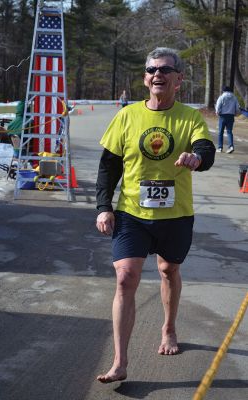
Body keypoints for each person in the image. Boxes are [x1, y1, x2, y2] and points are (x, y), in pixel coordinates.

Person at [95, 47, 215, 384]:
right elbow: (108, 168)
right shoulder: (127, 116)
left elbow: (205, 147)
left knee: (168, 269)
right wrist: (104, 207)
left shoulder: (189, 118)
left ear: (179, 79)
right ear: (145, 77)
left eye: (165, 69)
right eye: (151, 69)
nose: (157, 74)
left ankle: (169, 328)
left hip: (175, 214)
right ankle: (119, 362)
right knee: (125, 278)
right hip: (132, 212)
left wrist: (197, 159)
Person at [215, 86, 240, 154]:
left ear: (224, 91)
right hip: (231, 116)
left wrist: (217, 112)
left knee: (220, 132)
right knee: (229, 132)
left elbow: (218, 106)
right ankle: (231, 146)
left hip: (223, 116)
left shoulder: (222, 97)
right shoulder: (234, 97)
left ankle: (220, 148)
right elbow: (237, 107)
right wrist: (236, 113)